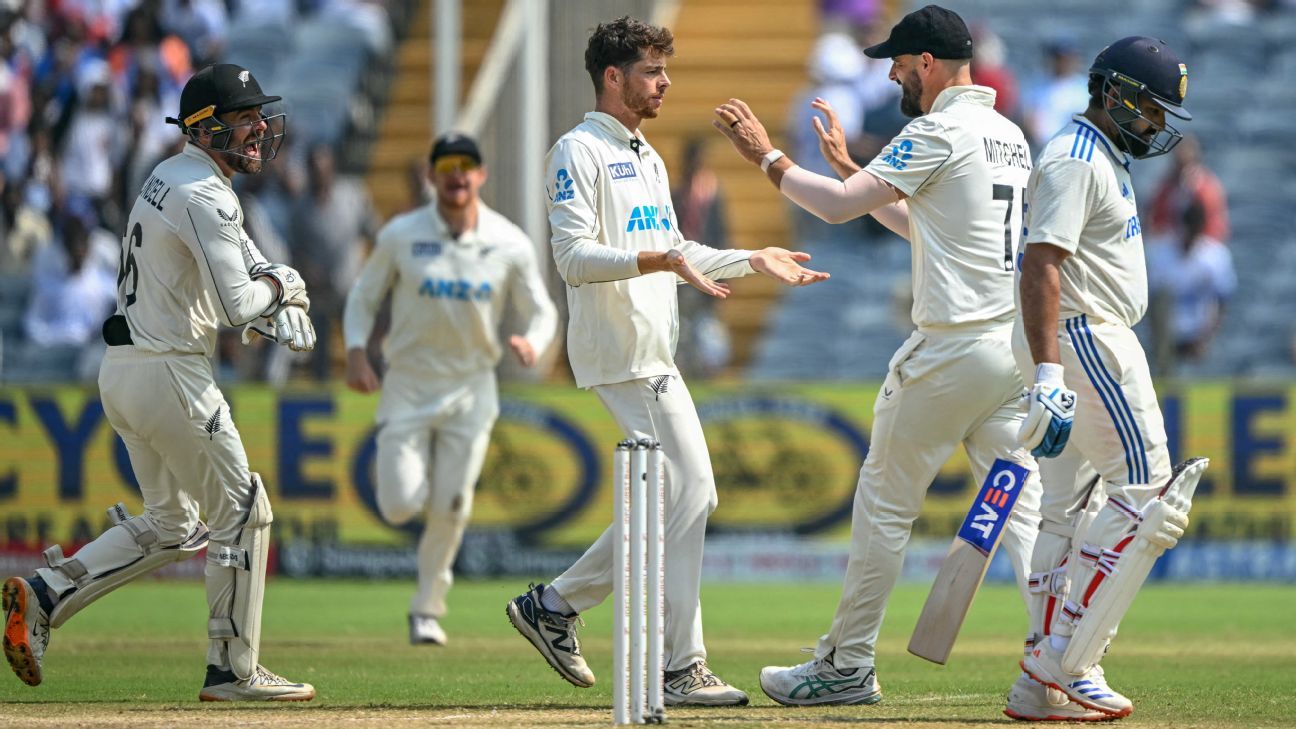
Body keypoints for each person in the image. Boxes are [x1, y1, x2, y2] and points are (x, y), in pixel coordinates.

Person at [712, 4, 1056, 713]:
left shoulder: (936, 131)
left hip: (948, 353)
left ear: (928, 63)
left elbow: (836, 208)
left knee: (884, 507)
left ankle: (846, 663)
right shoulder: (1009, 134)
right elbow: (932, 229)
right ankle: (1060, 659)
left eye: (899, 63)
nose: (894, 75)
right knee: (1022, 515)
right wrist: (851, 169)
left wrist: (766, 158)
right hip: (1008, 355)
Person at [504, 15, 829, 707]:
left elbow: (679, 249)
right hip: (620, 349)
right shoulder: (576, 151)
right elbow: (572, 257)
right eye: (651, 71)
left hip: (654, 348)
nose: (665, 82)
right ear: (612, 76)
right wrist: (657, 260)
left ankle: (572, 613)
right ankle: (655, 653)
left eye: (664, 69)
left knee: (686, 497)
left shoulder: (646, 154)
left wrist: (753, 258)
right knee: (691, 492)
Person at [2, 63, 317, 702]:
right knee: (245, 511)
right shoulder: (205, 193)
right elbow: (236, 304)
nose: (259, 128)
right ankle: (232, 670)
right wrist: (285, 287)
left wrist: (275, 292)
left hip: (124, 371)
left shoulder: (168, 176)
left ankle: (45, 593)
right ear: (203, 129)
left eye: (259, 116)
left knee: (176, 525)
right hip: (171, 371)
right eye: (244, 118)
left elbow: (233, 264)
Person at [1012, 37, 1202, 720]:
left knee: (1064, 509)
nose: (1156, 122)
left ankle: (1039, 679)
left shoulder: (1099, 153)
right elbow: (1042, 263)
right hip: (1086, 335)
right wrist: (1048, 371)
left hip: (1080, 336)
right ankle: (1070, 655)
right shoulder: (1076, 157)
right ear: (1113, 92)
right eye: (1150, 106)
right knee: (1150, 495)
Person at [343, 132, 558, 646]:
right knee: (399, 505)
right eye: (446, 166)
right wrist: (355, 350)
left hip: (471, 388)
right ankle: (414, 483)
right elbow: (364, 296)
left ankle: (427, 609)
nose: (456, 174)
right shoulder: (402, 234)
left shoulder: (508, 241)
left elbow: (543, 310)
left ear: (480, 175)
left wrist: (533, 342)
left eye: (466, 165)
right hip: (409, 383)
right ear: (431, 176)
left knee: (453, 505)